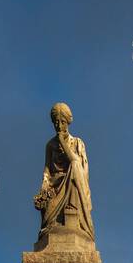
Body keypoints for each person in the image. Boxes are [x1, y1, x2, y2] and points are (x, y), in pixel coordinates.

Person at [33, 102, 95, 242]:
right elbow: (47, 170)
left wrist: (62, 142)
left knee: (74, 166)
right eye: (56, 122)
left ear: (68, 122)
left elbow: (78, 166)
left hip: (74, 183)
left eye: (62, 122)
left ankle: (73, 209)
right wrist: (44, 187)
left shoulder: (77, 142)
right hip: (55, 186)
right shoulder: (50, 145)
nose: (59, 126)